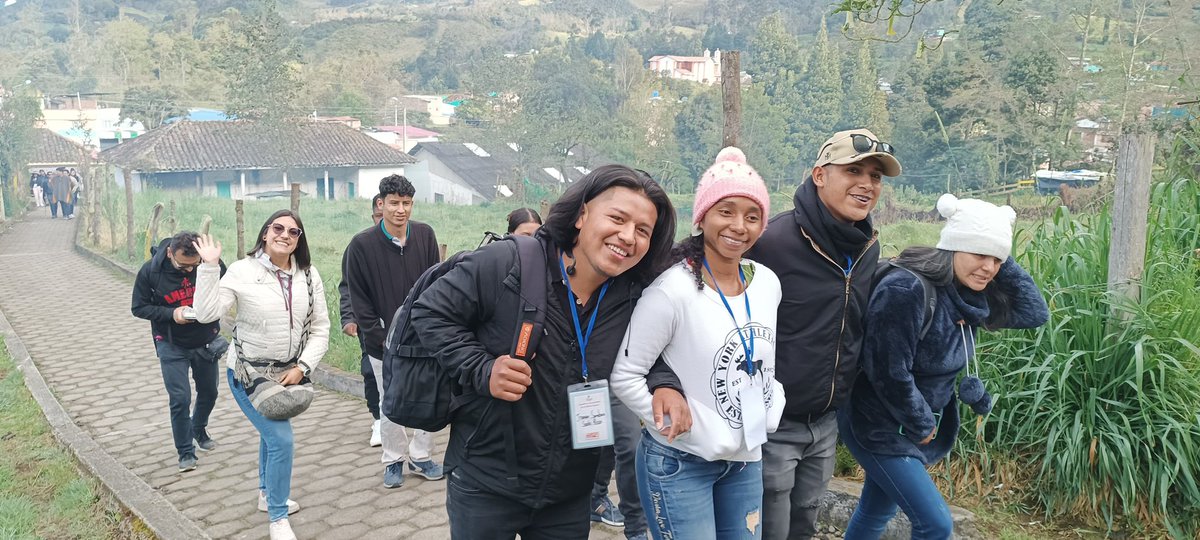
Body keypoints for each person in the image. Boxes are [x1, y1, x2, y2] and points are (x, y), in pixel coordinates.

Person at [410, 165, 688, 539]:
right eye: (617, 218)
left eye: (643, 231)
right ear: (582, 214)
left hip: (570, 493)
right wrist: (482, 368)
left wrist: (666, 384)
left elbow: (648, 353)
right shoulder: (510, 263)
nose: (627, 237)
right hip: (487, 482)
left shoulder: (634, 294)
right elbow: (429, 312)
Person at [839, 194, 1049, 539]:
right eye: (978, 253)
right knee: (935, 524)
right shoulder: (907, 288)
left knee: (876, 511)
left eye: (996, 259)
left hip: (909, 426)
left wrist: (998, 247)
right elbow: (888, 370)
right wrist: (921, 423)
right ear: (952, 247)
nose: (989, 267)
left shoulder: (970, 297)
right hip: (876, 423)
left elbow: (1034, 313)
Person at [612, 147, 784, 540]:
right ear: (702, 216)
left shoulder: (767, 283)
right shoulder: (673, 289)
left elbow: (762, 355)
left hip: (745, 458)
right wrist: (681, 426)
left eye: (752, 216)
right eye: (726, 211)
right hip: (680, 461)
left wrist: (774, 398)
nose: (739, 226)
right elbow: (625, 374)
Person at [744, 128, 903, 540]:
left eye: (876, 176)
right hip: (773, 423)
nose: (867, 184)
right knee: (767, 529)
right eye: (854, 170)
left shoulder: (867, 247)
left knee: (805, 525)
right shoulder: (772, 243)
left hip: (827, 422)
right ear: (819, 175)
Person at [191, 211, 331, 540]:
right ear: (265, 233)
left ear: (300, 239)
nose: (285, 235)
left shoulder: (309, 275)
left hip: (286, 371)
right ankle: (278, 517)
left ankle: (266, 494)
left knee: (273, 432)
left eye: (293, 231)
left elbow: (321, 328)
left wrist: (304, 367)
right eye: (278, 228)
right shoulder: (242, 271)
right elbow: (206, 314)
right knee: (282, 439)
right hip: (247, 372)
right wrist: (209, 266)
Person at [343, 175, 444, 488]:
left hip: (423, 338)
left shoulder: (425, 235)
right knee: (391, 402)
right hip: (382, 343)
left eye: (406, 203)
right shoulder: (361, 245)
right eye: (394, 203)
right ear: (380, 204)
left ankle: (422, 456)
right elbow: (358, 298)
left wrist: (433, 326)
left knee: (429, 396)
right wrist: (377, 336)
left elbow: (435, 284)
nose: (401, 210)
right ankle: (393, 459)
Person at [131, 231, 227, 473]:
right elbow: (139, 307)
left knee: (209, 393)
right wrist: (171, 314)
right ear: (170, 253)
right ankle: (185, 451)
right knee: (180, 398)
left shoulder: (209, 263)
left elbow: (226, 290)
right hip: (170, 342)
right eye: (184, 266)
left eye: (194, 266)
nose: (189, 271)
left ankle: (198, 427)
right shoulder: (150, 271)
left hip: (204, 340)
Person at [339, 194, 385, 447]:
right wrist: (349, 317)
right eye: (379, 217)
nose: (384, 222)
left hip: (404, 323)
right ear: (374, 216)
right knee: (370, 371)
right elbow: (347, 286)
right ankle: (378, 420)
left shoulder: (413, 242)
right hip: (370, 322)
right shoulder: (360, 246)